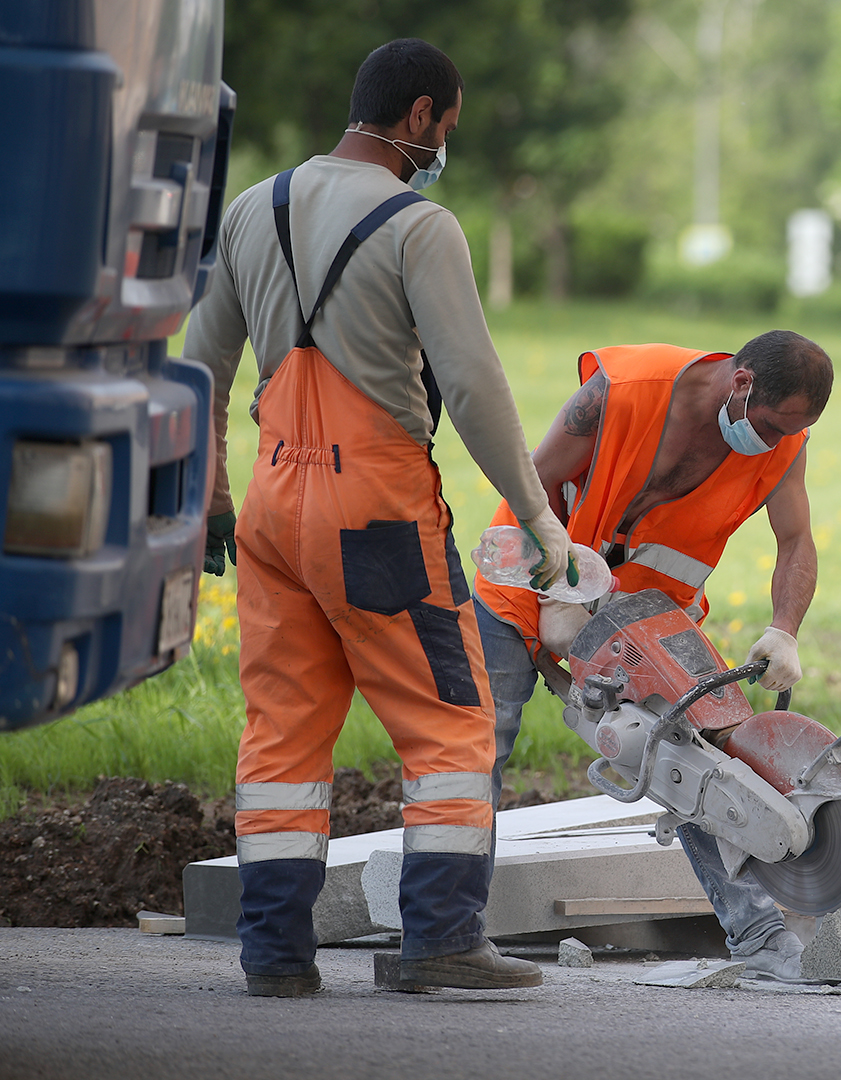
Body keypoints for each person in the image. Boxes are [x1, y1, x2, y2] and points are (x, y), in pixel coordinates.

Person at [184, 39, 576, 997]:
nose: (445, 144)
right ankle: (439, 941)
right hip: (380, 511)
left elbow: (198, 366)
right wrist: (542, 521)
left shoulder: (251, 208)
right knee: (450, 723)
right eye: (447, 125)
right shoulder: (419, 225)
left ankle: (274, 956)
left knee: (281, 732)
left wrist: (207, 493)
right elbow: (476, 389)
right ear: (420, 118)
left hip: (273, 500)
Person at [473, 333, 831, 981]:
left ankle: (759, 936)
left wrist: (786, 629)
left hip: (646, 611)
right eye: (775, 427)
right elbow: (531, 478)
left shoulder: (783, 447)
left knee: (699, 758)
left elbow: (796, 539)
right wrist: (558, 584)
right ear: (742, 384)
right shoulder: (625, 391)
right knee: (478, 750)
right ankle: (451, 934)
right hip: (528, 576)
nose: (780, 443)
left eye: (795, 432)